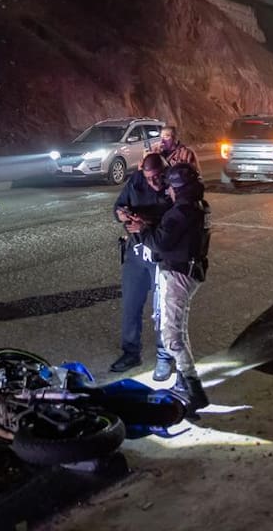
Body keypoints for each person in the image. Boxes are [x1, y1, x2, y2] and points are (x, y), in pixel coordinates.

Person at [127, 162, 210, 414]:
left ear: (178, 188)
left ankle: (195, 390)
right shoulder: (197, 207)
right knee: (177, 328)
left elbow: (161, 243)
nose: (167, 192)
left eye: (171, 188)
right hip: (188, 271)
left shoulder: (182, 211)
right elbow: (172, 232)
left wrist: (141, 230)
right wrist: (149, 225)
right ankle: (185, 382)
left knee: (171, 336)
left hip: (178, 273)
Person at [111, 152, 175, 377]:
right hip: (136, 253)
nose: (153, 182)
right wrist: (122, 215)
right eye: (148, 178)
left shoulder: (174, 184)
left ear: (165, 171)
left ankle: (164, 356)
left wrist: (145, 224)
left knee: (162, 310)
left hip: (162, 254)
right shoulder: (137, 180)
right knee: (130, 305)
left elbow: (179, 221)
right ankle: (131, 352)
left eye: (157, 177)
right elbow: (118, 206)